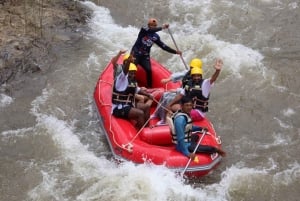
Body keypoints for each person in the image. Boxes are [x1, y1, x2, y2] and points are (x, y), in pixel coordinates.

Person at [131, 18, 182, 88]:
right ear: (148, 25)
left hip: (144, 56)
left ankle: (149, 87)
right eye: (152, 25)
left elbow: (163, 46)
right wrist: (162, 27)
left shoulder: (155, 37)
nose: (153, 27)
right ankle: (130, 83)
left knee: (149, 70)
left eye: (154, 26)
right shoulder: (144, 29)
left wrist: (175, 52)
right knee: (132, 69)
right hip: (136, 53)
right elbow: (151, 30)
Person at [152, 58, 203, 125]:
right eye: (191, 67)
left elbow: (190, 90)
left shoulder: (198, 80)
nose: (191, 69)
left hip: (187, 97)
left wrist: (176, 90)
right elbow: (178, 75)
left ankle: (164, 119)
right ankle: (156, 113)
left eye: (193, 68)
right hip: (181, 92)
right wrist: (168, 79)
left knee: (168, 99)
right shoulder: (188, 73)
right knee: (165, 95)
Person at [112, 60, 153, 130]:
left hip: (129, 104)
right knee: (140, 113)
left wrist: (148, 95)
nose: (133, 75)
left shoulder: (132, 81)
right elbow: (124, 71)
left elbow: (138, 90)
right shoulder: (121, 80)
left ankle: (147, 128)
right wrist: (128, 62)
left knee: (146, 107)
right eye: (131, 73)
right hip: (119, 108)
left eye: (134, 73)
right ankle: (141, 131)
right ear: (127, 73)